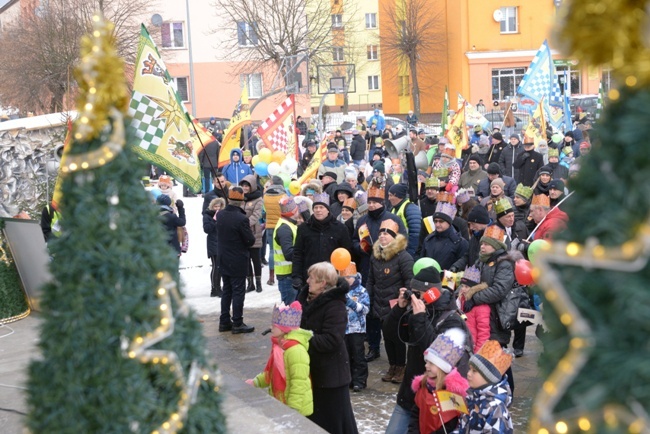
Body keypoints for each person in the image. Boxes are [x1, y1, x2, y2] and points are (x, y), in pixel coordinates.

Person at [384, 267, 466, 433]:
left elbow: (437, 355)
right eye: (412, 292)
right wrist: (400, 308)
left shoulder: (452, 320)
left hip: (436, 400)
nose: (414, 297)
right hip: (410, 392)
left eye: (418, 293)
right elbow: (390, 333)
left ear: (432, 293)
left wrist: (420, 318)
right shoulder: (417, 310)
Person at [297, 262, 359, 434]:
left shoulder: (335, 305)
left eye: (312, 278)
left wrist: (301, 336)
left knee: (336, 425)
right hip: (311, 374)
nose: (307, 280)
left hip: (332, 377)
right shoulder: (305, 298)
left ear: (323, 283)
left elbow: (331, 340)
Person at [459, 225, 516, 392]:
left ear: (496, 246)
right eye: (482, 243)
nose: (482, 246)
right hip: (481, 315)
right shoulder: (481, 260)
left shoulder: (504, 264)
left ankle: (507, 390)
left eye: (486, 244)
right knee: (487, 355)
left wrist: (474, 297)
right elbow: (469, 280)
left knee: (497, 354)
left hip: (497, 316)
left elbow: (499, 290)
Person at [366, 219, 414, 384]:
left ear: (394, 237)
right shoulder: (376, 256)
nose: (383, 236)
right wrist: (369, 298)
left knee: (397, 337)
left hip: (396, 306)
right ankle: (392, 366)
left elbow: (410, 281)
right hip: (380, 303)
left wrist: (405, 300)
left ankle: (401, 367)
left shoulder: (404, 257)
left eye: (386, 233)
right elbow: (371, 280)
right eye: (380, 233)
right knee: (386, 336)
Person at [246, 302, 313, 416]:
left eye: (274, 325)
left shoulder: (295, 351)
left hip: (296, 409)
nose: (271, 327)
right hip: (283, 404)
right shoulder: (280, 347)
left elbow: (299, 382)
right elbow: (272, 372)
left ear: (283, 329)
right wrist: (256, 382)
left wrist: (293, 409)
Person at [408, 328, 469, 434]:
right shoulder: (424, 386)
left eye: (431, 363)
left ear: (442, 368)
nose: (426, 366)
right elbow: (416, 413)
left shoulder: (452, 394)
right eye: (427, 362)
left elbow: (450, 425)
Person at [291, 193, 353, 290]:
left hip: (332, 278)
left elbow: (347, 253)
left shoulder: (340, 228)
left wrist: (346, 277)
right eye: (316, 207)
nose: (318, 210)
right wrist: (296, 276)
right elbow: (298, 253)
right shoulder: (304, 228)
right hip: (309, 278)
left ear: (327, 209)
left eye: (321, 207)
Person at [217, 187, 256, 334]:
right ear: (241, 201)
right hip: (237, 260)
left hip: (224, 258)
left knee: (227, 290)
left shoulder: (220, 215)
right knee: (238, 291)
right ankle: (237, 322)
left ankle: (224, 321)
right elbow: (250, 240)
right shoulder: (241, 219)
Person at [453, 341, 514, 433]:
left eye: (474, 371)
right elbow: (464, 428)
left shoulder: (496, 409)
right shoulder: (472, 399)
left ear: (488, 377)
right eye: (470, 369)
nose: (468, 373)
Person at [342, 262, 370, 393]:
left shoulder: (362, 291)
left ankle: (360, 381)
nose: (347, 281)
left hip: (357, 329)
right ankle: (349, 379)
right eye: (344, 278)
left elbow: (365, 309)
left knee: (358, 355)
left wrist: (352, 304)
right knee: (346, 355)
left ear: (355, 277)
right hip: (343, 328)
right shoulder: (340, 290)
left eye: (349, 277)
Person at [418, 200, 469, 270]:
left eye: (441, 221)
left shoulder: (460, 243)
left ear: (448, 222)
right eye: (435, 221)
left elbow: (462, 265)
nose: (437, 224)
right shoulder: (428, 239)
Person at [239, 175, 264, 294]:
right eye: (243, 186)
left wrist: (244, 224)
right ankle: (250, 283)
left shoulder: (258, 199)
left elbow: (256, 215)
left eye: (247, 186)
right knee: (246, 259)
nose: (244, 188)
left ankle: (258, 282)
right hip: (242, 233)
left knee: (255, 259)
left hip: (253, 232)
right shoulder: (240, 198)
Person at [274, 196, 301, 304]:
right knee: (289, 310)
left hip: (290, 274)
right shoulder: (285, 228)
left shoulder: (290, 225)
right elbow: (289, 253)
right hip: (287, 276)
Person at [457, 266, 491, 353]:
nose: (463, 289)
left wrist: (478, 353)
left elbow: (483, 333)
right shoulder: (462, 300)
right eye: (462, 286)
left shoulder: (481, 307)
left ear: (474, 288)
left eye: (467, 287)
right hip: (463, 344)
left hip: (473, 347)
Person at [263, 176, 286, 286]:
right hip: (282, 225)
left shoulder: (266, 196)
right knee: (283, 250)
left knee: (272, 250)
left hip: (270, 226)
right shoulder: (283, 196)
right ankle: (283, 273)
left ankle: (271, 276)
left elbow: (264, 211)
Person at [388, 183, 421, 257]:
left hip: (408, 251)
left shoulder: (411, 208)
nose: (389, 198)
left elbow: (415, 234)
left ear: (398, 196)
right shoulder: (393, 209)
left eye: (391, 195)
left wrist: (410, 253)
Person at [203, 197, 225, 297]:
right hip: (213, 242)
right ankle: (214, 288)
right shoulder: (207, 215)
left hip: (222, 242)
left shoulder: (223, 214)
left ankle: (219, 287)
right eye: (215, 206)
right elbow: (207, 229)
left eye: (219, 207)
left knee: (221, 266)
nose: (217, 209)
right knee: (216, 266)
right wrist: (215, 221)